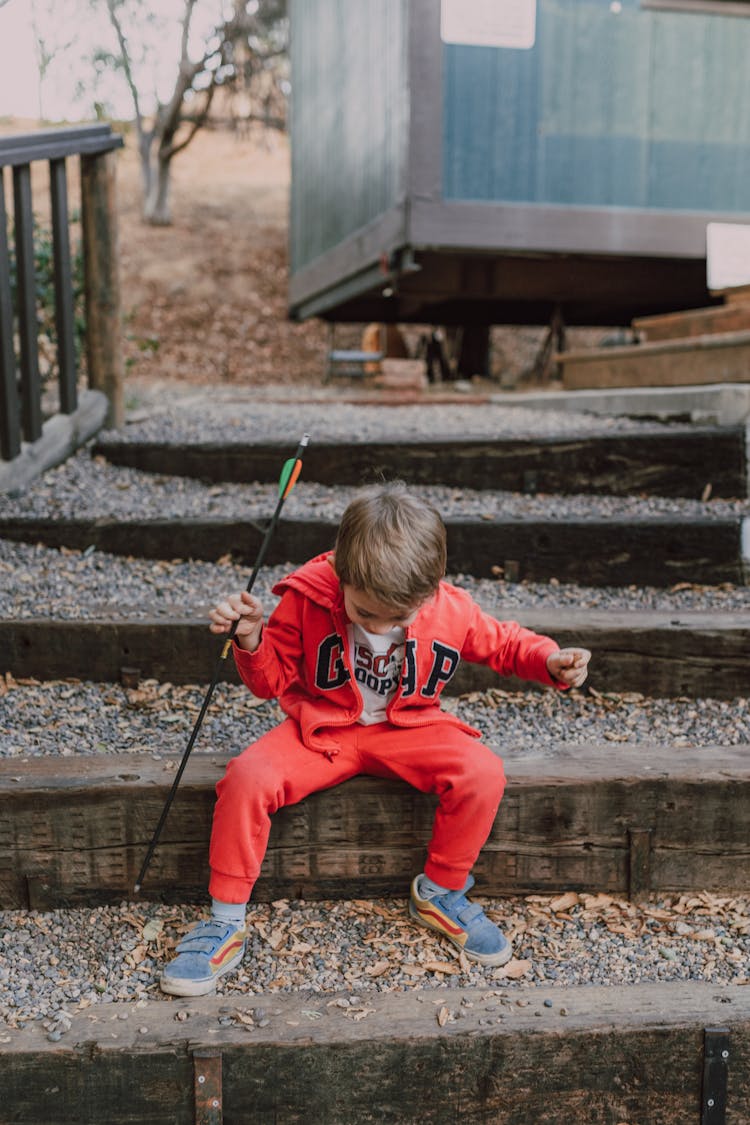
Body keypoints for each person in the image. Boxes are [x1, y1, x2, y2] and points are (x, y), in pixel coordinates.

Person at [160, 484, 590, 996]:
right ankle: (224, 921)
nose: (380, 625)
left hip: (408, 729)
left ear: (430, 593)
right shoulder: (306, 599)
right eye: (364, 614)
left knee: (482, 772)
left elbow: (505, 643)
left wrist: (549, 660)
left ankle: (440, 892)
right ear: (342, 574)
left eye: (399, 619)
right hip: (323, 729)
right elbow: (268, 683)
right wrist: (251, 639)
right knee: (248, 776)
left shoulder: (450, 608)